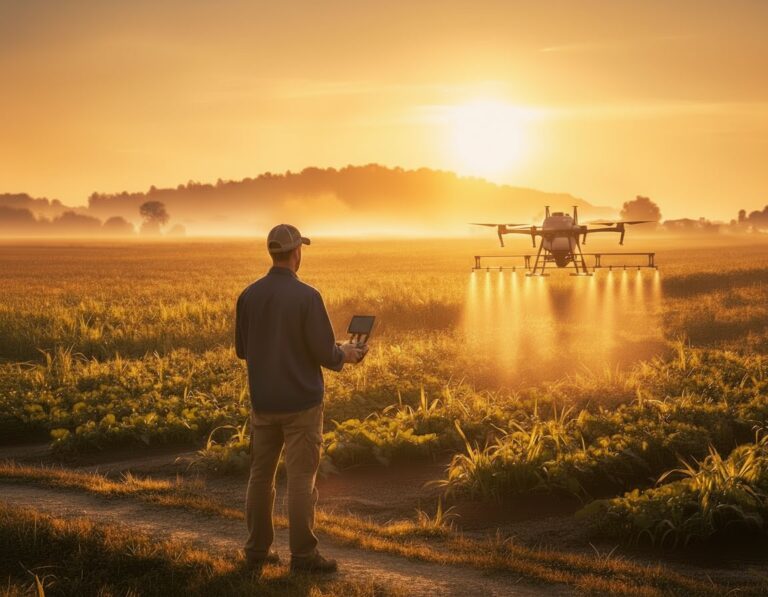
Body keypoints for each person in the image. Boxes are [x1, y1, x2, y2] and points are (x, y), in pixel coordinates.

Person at [235, 223, 366, 574]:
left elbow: (243, 351)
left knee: (260, 478)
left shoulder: (248, 295)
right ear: (296, 253)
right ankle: (304, 557)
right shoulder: (308, 296)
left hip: (263, 403)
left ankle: (256, 552)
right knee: (300, 482)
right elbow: (325, 353)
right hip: (302, 405)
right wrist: (347, 354)